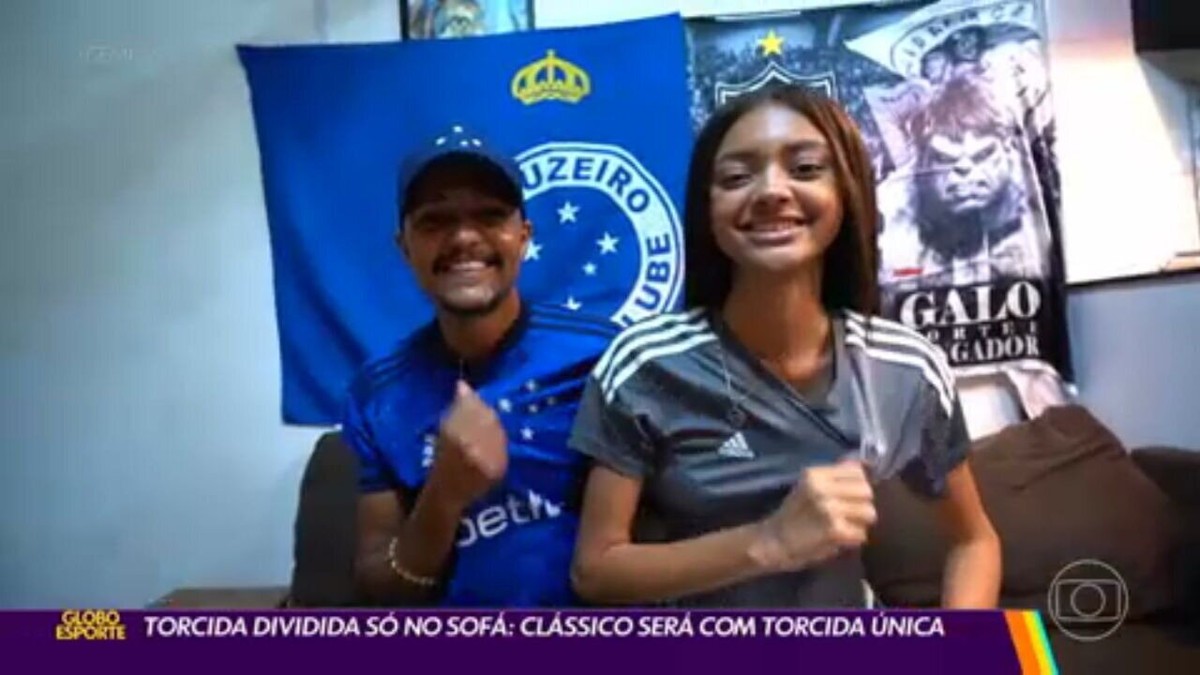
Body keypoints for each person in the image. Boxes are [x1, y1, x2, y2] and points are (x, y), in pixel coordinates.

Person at [567, 85, 1001, 608]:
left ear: (846, 193)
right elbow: (595, 572)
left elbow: (974, 541)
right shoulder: (644, 366)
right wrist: (769, 541)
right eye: (736, 177)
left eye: (805, 169)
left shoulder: (905, 369)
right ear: (707, 209)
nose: (771, 190)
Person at [344, 125, 616, 606]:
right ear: (404, 246)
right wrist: (444, 494)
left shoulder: (605, 356)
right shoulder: (376, 394)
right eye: (435, 222)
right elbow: (378, 589)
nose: (465, 237)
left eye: (490, 216)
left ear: (524, 237)